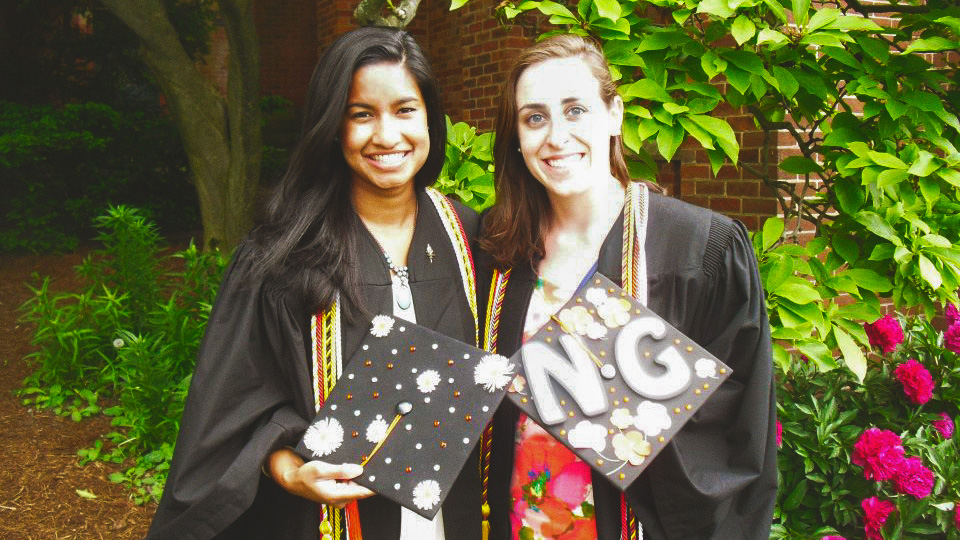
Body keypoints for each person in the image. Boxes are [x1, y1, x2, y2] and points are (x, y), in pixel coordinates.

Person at [146, 27, 484, 540]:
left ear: (431, 119)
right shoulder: (281, 256)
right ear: (331, 125)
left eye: (405, 110)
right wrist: (289, 472)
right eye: (361, 114)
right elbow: (229, 413)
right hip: (330, 524)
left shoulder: (475, 241)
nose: (387, 135)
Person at [477, 34, 777, 539]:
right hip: (517, 525)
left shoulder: (696, 248)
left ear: (614, 115)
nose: (555, 136)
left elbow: (739, 430)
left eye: (575, 110)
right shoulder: (497, 249)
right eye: (534, 118)